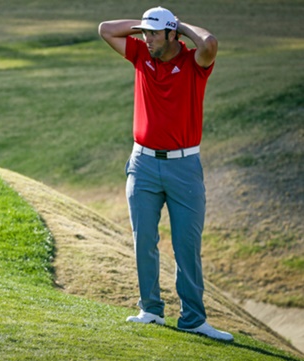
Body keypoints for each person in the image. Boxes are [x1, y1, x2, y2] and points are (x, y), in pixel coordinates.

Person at [98, 6, 233, 342]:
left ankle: (193, 318)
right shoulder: (141, 54)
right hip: (142, 164)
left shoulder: (193, 63)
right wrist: (146, 26)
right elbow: (105, 29)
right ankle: (151, 310)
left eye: (154, 34)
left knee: (186, 244)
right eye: (145, 33)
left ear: (173, 34)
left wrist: (179, 26)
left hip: (183, 167)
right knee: (144, 238)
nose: (147, 39)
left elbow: (210, 43)